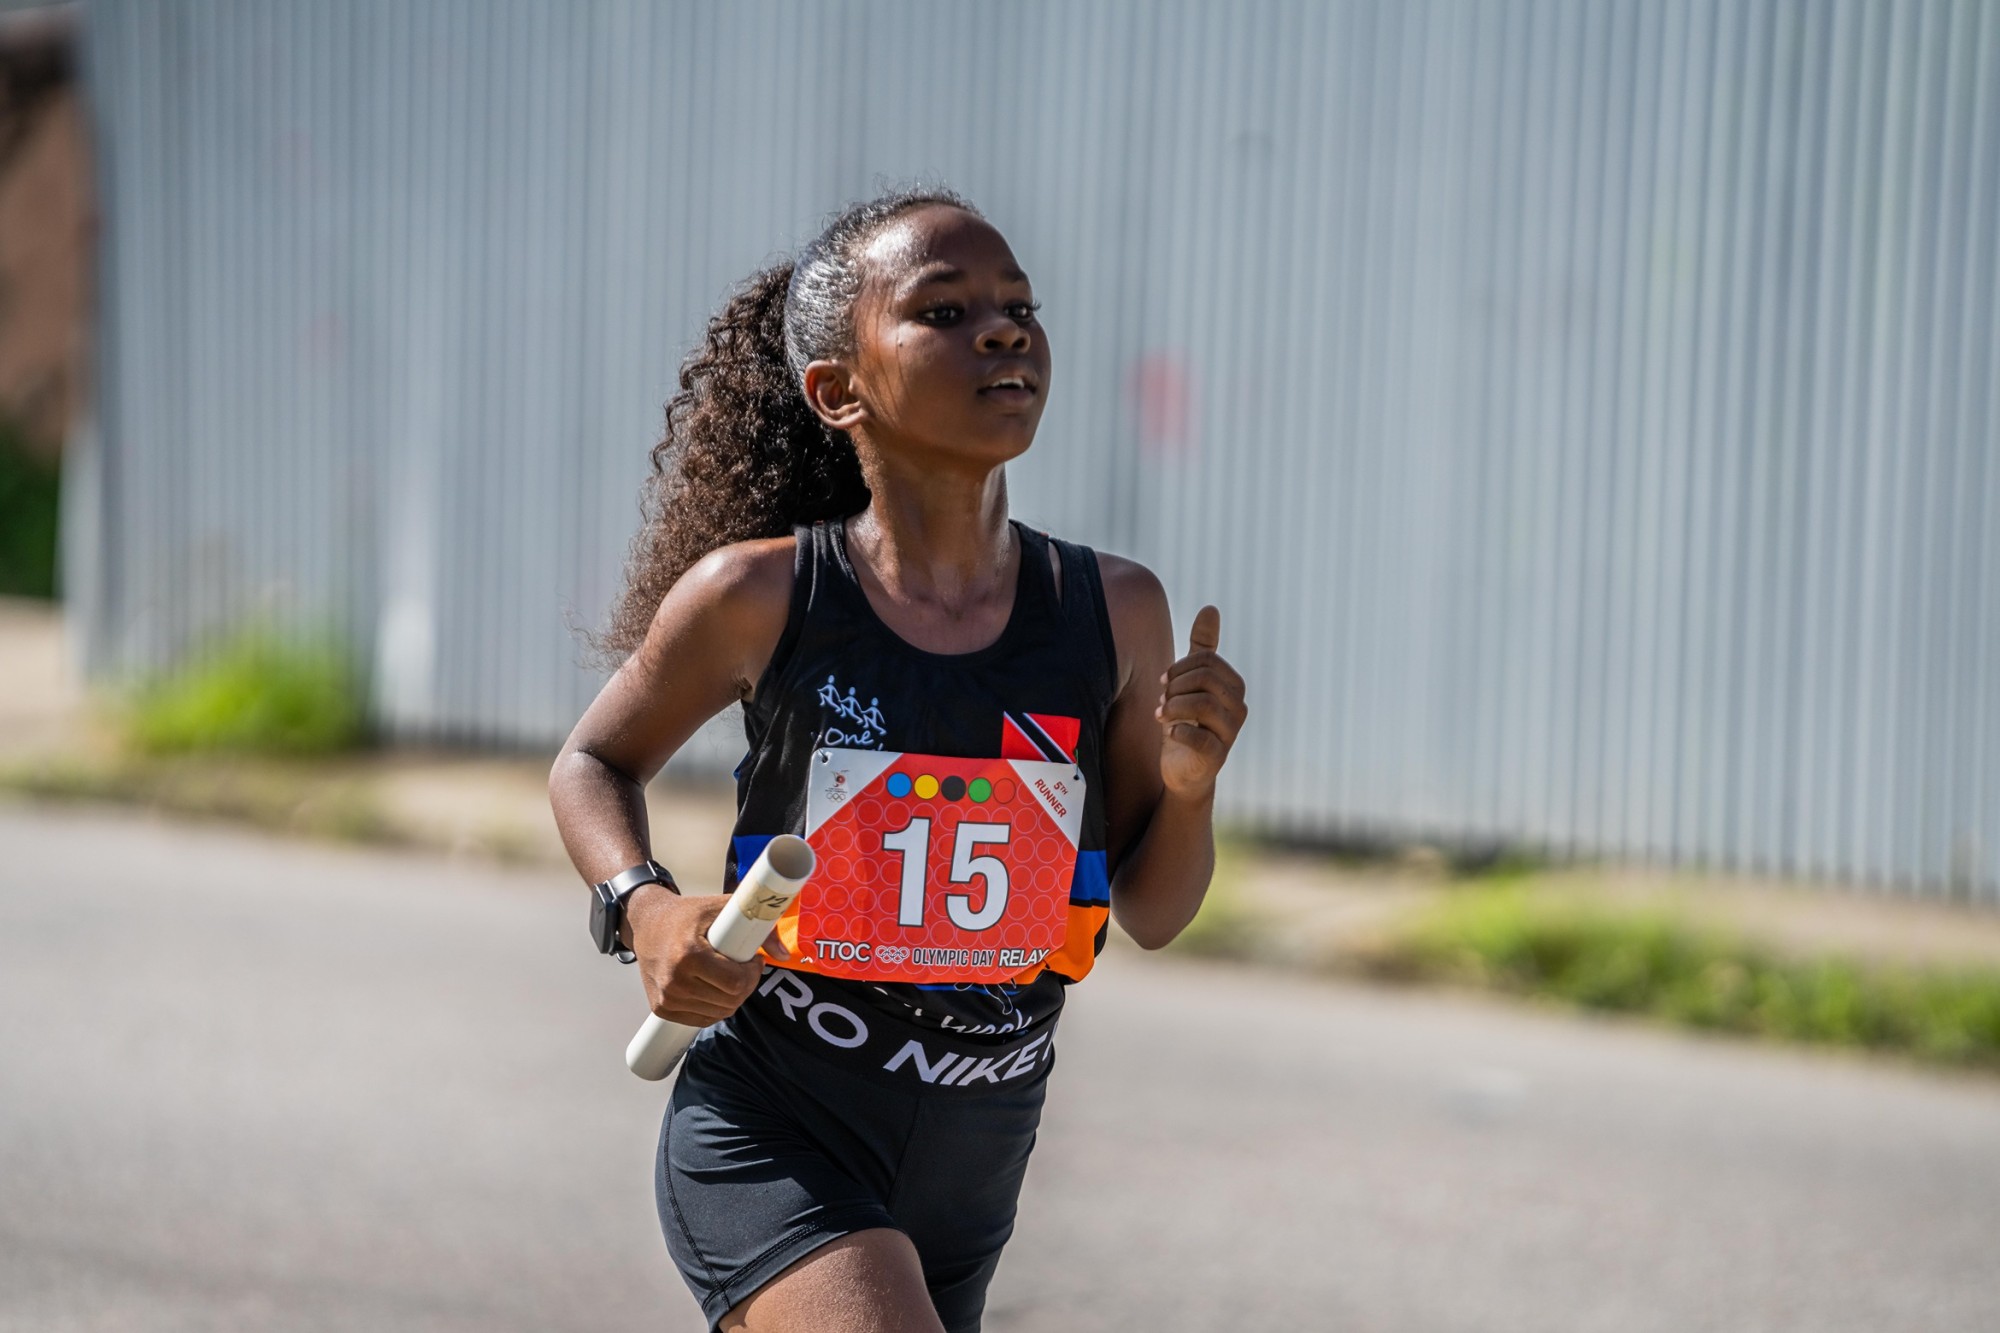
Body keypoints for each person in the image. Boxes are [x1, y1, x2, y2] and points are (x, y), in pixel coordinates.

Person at [549, 188, 1248, 1333]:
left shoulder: (1113, 609)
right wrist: (646, 907)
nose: (1005, 330)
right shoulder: (760, 594)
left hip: (977, 1160)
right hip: (777, 1131)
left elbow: (1154, 911)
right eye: (945, 311)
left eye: (1020, 306)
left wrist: (1186, 789)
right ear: (837, 390)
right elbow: (592, 760)